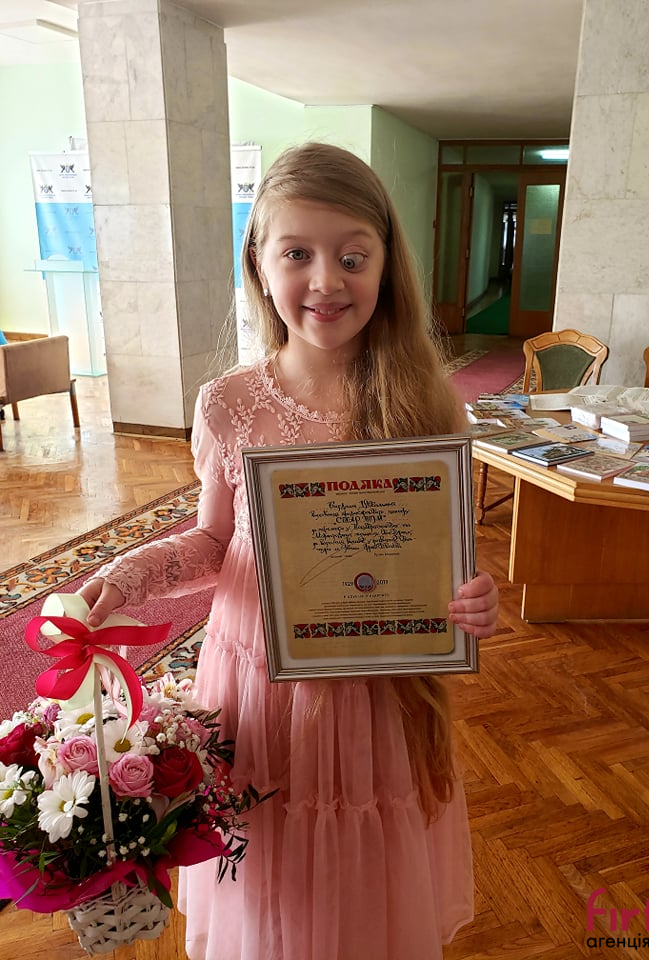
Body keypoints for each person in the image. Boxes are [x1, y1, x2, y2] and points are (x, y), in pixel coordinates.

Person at [78, 141, 499, 960]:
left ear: (385, 264)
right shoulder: (230, 403)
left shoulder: (426, 402)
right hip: (255, 680)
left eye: (352, 256)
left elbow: (442, 558)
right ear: (260, 264)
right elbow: (214, 539)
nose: (326, 281)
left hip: (374, 686)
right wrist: (127, 576)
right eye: (298, 253)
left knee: (360, 873)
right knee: (266, 855)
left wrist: (472, 597)